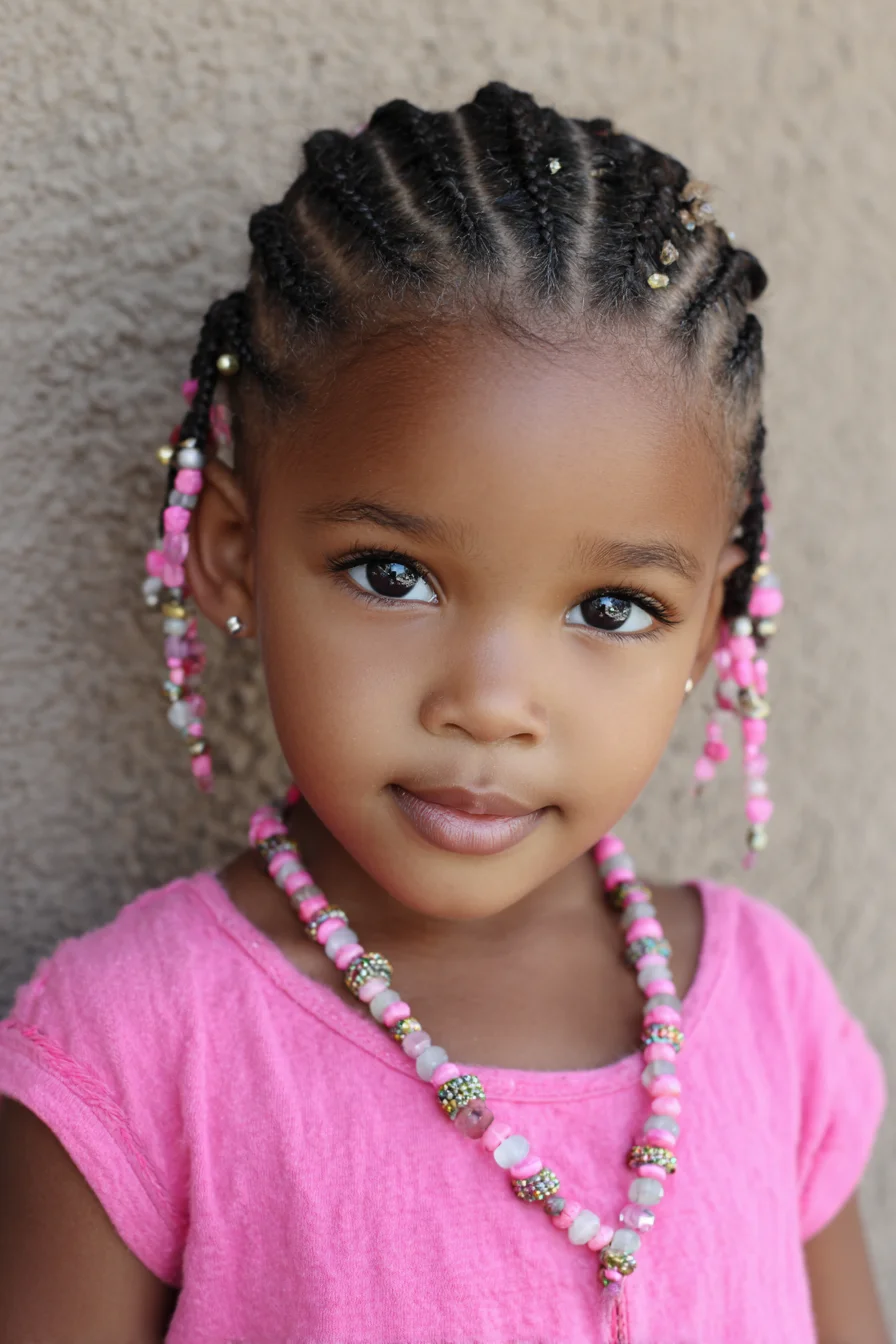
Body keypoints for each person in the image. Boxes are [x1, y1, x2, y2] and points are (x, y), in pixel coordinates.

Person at [0, 82, 888, 1344]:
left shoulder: (768, 1018)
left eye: (612, 607)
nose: (490, 703)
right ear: (229, 550)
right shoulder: (140, 1049)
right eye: (391, 576)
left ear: (713, 622)